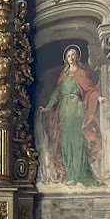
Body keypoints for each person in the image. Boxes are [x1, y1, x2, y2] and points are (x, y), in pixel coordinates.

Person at [40, 45, 103, 186]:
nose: (71, 57)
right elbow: (56, 94)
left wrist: (98, 98)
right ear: (66, 59)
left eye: (73, 55)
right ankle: (70, 175)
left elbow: (90, 90)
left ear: (77, 57)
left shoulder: (81, 73)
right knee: (65, 143)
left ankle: (80, 175)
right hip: (64, 111)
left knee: (77, 142)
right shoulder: (63, 75)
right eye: (69, 56)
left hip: (77, 109)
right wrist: (48, 107)